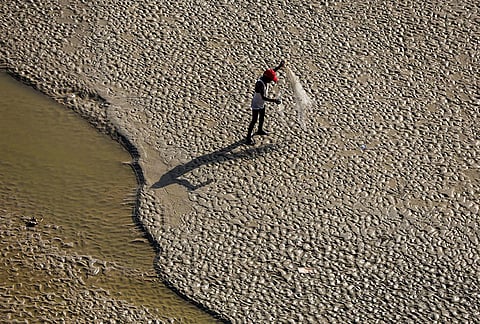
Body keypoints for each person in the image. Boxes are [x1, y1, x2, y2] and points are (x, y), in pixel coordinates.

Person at [245, 60, 285, 145]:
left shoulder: (265, 78)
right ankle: (248, 137)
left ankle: (260, 130)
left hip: (261, 104)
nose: (271, 81)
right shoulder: (260, 84)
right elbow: (263, 97)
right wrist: (275, 100)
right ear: (267, 78)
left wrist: (279, 66)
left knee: (262, 117)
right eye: (270, 80)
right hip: (256, 104)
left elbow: (272, 71)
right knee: (254, 120)